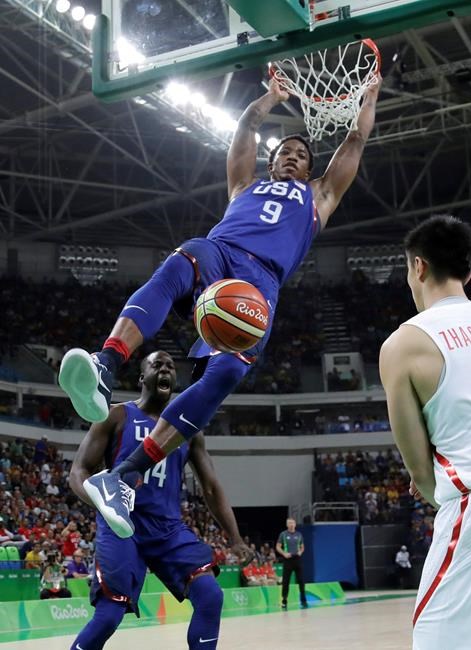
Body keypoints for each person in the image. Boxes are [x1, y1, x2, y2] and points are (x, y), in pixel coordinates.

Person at [58, 73, 382, 538]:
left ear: (311, 169)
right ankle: (106, 365)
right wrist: (268, 99)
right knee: (183, 257)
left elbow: (355, 139)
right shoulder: (242, 187)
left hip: (259, 283)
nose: (291, 156)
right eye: (284, 152)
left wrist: (367, 100)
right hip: (220, 251)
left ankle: (122, 477)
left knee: (228, 372)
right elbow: (246, 129)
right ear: (272, 162)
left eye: (301, 155)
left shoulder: (319, 196)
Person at [379, 215, 471, 650]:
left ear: (419, 268)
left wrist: (435, 482)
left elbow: (420, 470)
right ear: (468, 271)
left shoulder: (404, 343)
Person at [68, 350, 251, 650]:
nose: (165, 370)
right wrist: (103, 502)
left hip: (167, 528)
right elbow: (78, 471)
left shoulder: (189, 430)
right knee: (109, 616)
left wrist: (235, 538)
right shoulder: (116, 415)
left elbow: (211, 487)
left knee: (210, 596)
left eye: (170, 366)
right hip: (122, 526)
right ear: (143, 377)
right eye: (157, 365)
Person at [276, 518, 307, 610]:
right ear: (287, 525)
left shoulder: (299, 534)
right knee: (286, 581)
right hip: (288, 560)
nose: (291, 525)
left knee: (301, 580)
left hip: (297, 559)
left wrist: (301, 552)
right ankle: (284, 600)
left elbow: (302, 547)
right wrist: (284, 553)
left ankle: (303, 600)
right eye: (289, 523)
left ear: (295, 524)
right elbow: (278, 547)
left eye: (292, 523)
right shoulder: (283, 534)